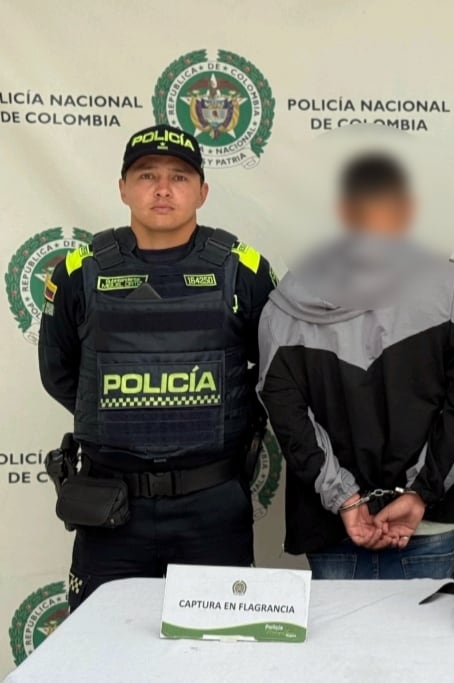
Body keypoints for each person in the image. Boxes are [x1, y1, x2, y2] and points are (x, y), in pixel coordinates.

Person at [38, 124, 276, 609]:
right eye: (147, 175)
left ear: (202, 192)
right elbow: (60, 373)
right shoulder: (79, 271)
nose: (163, 189)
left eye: (179, 177)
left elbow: (276, 375)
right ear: (123, 188)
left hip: (211, 505)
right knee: (103, 647)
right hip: (110, 508)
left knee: (216, 647)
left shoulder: (244, 270)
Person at [258, 153, 454, 580]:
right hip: (417, 519)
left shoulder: (285, 303)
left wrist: (347, 500)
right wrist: (420, 493)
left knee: (339, 632)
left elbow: (289, 417)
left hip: (342, 521)